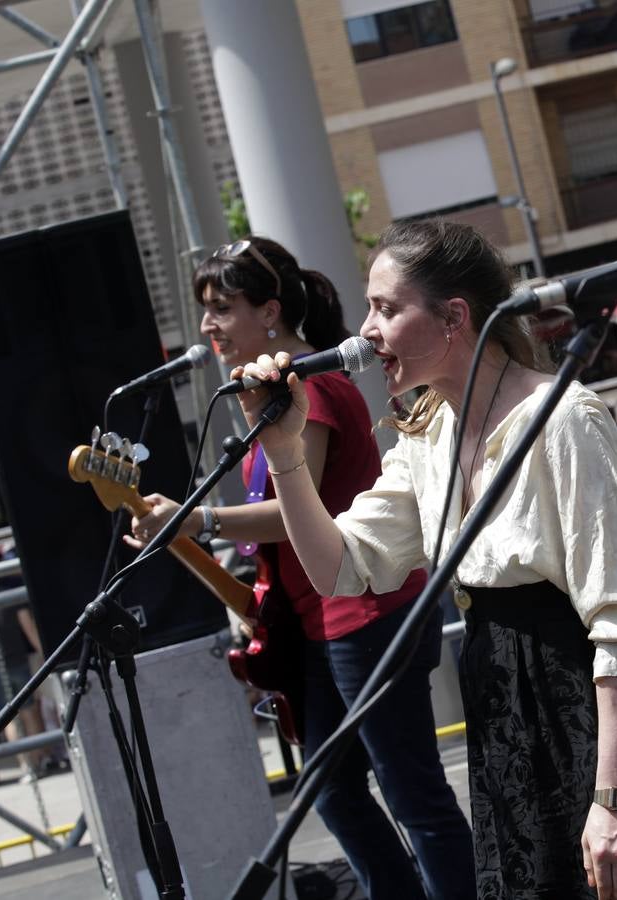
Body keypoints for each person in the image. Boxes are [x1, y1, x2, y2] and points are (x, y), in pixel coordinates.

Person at [229, 219, 617, 900]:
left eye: (387, 308)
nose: (367, 330)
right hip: (505, 722)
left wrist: (615, 796)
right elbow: (340, 567)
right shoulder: (428, 435)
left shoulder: (563, 419)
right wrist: (284, 454)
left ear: (455, 317)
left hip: (582, 714)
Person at [125, 236, 474, 900]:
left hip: (366, 614)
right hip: (323, 624)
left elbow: (297, 513)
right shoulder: (275, 399)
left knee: (411, 794)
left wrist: (197, 521)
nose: (208, 327)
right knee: (334, 790)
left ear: (271, 311)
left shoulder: (311, 389)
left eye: (222, 308)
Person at [0, 548, 53, 780]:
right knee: (30, 712)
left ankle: (26, 766)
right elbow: (28, 627)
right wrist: (45, 654)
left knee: (7, 718)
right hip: (17, 660)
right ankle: (40, 759)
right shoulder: (8, 595)